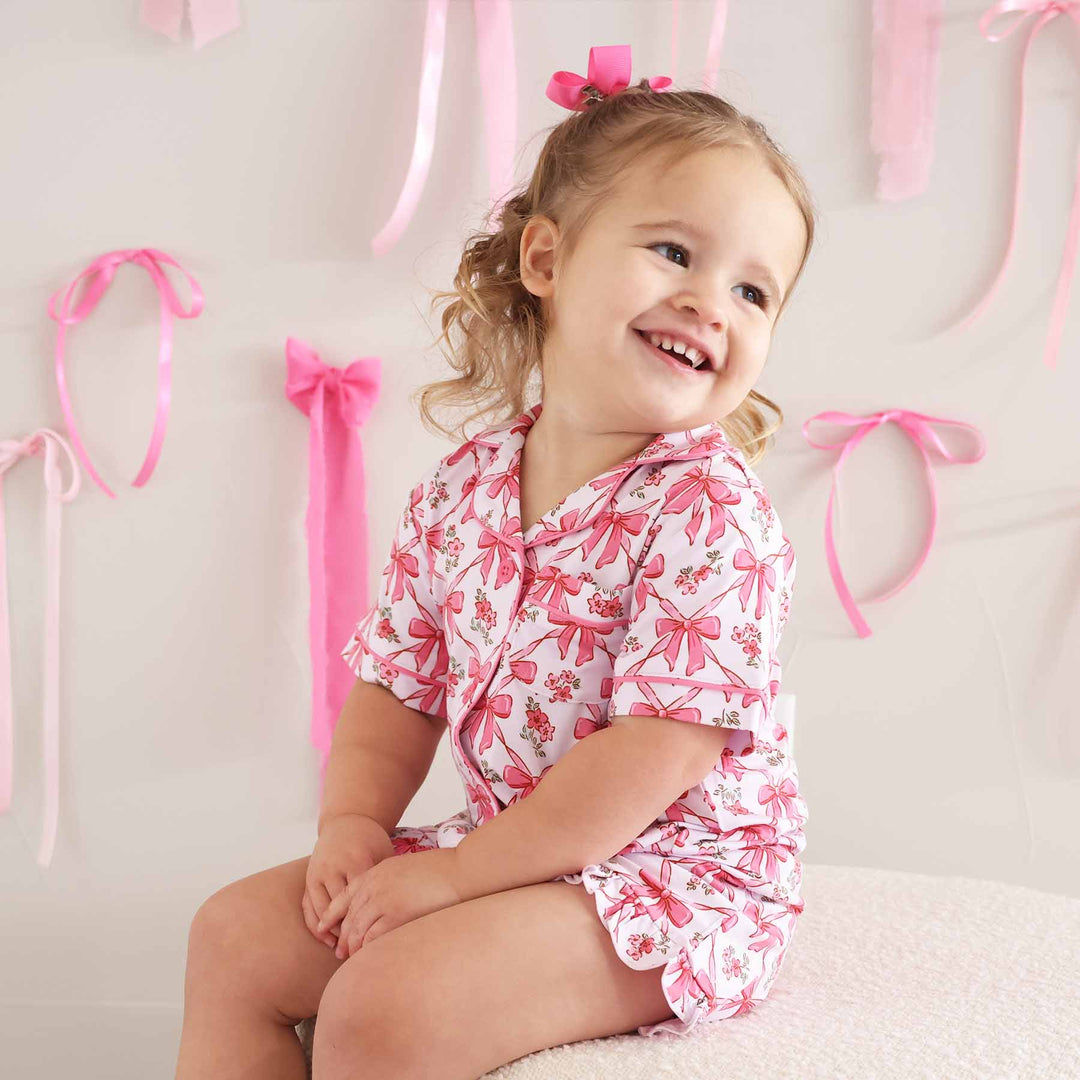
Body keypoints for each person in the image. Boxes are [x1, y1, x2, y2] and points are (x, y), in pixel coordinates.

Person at [175, 45, 815, 1080]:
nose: (712, 303)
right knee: (233, 939)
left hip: (674, 880)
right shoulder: (461, 490)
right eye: (674, 252)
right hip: (517, 849)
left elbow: (654, 755)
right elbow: (398, 687)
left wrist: (458, 876)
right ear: (547, 260)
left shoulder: (711, 513)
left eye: (754, 291)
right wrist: (354, 825)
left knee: (387, 1007)